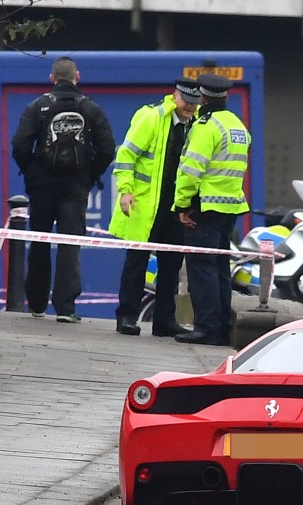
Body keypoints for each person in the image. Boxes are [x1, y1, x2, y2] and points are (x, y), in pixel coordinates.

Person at [10, 56, 115, 323]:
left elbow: (20, 145)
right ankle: (66, 308)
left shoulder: (37, 107)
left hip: (42, 185)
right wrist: (89, 176)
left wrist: (33, 173)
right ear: (77, 76)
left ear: (52, 78)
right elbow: (107, 148)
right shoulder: (91, 109)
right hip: (75, 187)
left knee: (40, 241)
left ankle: (36, 303)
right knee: (70, 244)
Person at [110, 78, 200, 337]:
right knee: (136, 263)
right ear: (175, 96)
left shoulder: (194, 126)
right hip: (145, 205)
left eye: (194, 104)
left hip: (175, 207)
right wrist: (126, 191)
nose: (190, 108)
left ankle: (164, 321)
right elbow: (126, 156)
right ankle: (127, 316)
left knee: (171, 265)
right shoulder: (151, 118)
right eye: (187, 102)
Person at [172, 74, 251, 345]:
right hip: (229, 207)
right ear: (225, 97)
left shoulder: (206, 126)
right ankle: (220, 327)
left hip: (204, 207)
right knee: (218, 268)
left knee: (201, 268)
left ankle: (206, 327)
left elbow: (190, 171)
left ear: (203, 98)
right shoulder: (237, 125)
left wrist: (182, 204)